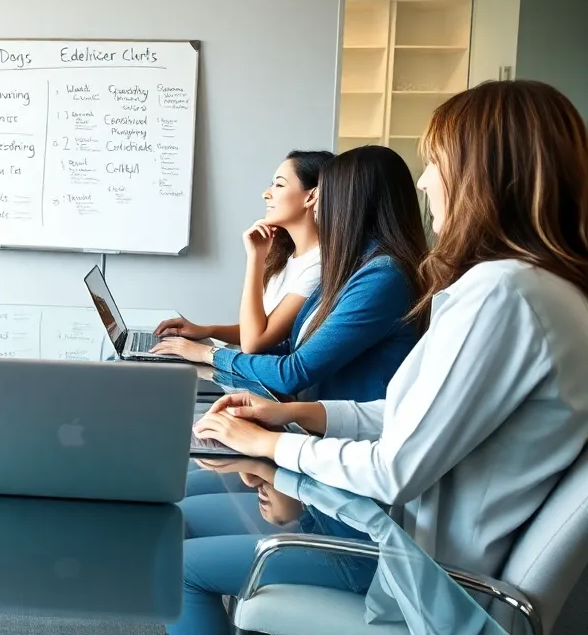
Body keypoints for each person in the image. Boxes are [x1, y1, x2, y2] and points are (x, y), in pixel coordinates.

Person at [183, 80, 588, 634]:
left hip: (421, 573)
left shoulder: (502, 294)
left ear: (483, 175)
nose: (424, 181)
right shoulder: (546, 290)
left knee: (181, 566)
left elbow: (394, 469)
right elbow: (414, 418)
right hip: (424, 551)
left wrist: (270, 444)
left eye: (435, 163)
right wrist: (298, 414)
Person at [153, 146, 426, 404]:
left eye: (326, 193)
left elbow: (293, 371)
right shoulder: (353, 265)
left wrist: (208, 353)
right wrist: (206, 344)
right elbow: (292, 348)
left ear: (353, 202)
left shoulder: (381, 276)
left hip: (339, 429)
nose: (317, 203)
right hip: (312, 416)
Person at [157, 151, 333, 353]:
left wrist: (255, 258)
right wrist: (205, 330)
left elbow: (254, 342)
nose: (266, 194)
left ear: (312, 196)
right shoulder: (288, 257)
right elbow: (258, 328)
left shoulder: (319, 265)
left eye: (279, 185)